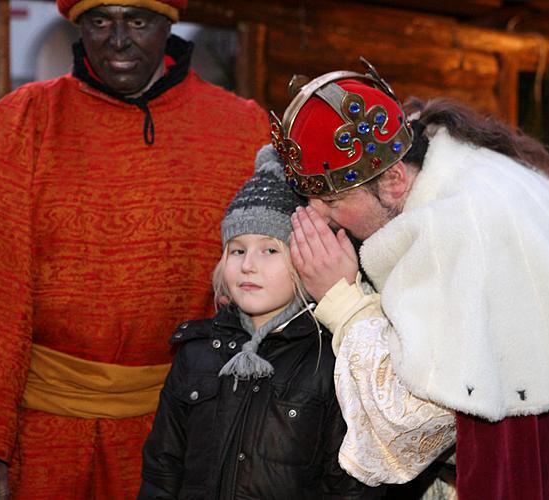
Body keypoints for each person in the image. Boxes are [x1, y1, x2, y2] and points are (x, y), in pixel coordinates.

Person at [274, 62, 549, 499]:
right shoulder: (468, 161)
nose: (317, 217)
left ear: (394, 179)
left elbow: (410, 428)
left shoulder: (454, 227)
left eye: (333, 201)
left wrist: (345, 303)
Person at [0, 1, 269, 498]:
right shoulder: (23, 121)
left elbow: (266, 289)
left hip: (181, 427)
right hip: (43, 434)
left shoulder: (240, 130)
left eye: (138, 21)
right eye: (100, 21)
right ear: (78, 25)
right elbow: (1, 290)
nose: (117, 40)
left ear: (169, 25)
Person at [139, 147, 378, 499]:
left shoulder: (331, 360)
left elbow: (347, 487)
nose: (248, 265)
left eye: (270, 250)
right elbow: (162, 471)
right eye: (237, 250)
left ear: (305, 259)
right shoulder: (196, 353)